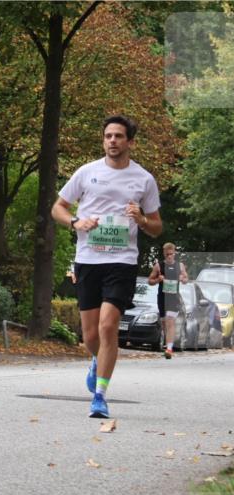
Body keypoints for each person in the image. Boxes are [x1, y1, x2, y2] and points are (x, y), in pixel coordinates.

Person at [51, 115, 163, 418]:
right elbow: (58, 208)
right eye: (108, 136)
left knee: (108, 325)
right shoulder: (87, 173)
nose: (112, 141)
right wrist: (76, 221)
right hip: (88, 259)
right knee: (90, 336)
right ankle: (97, 358)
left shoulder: (143, 179)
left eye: (118, 136)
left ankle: (99, 396)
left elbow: (156, 226)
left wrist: (141, 220)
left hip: (122, 261)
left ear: (129, 142)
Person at [147, 242, 188, 359]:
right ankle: (168, 343)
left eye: (171, 254)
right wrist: (157, 279)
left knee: (170, 321)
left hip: (174, 298)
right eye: (167, 255)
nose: (169, 256)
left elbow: (186, 278)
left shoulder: (180, 266)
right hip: (162, 297)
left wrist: (182, 279)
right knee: (164, 322)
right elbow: (150, 281)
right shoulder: (158, 266)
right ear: (164, 254)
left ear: (174, 253)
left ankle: (169, 349)